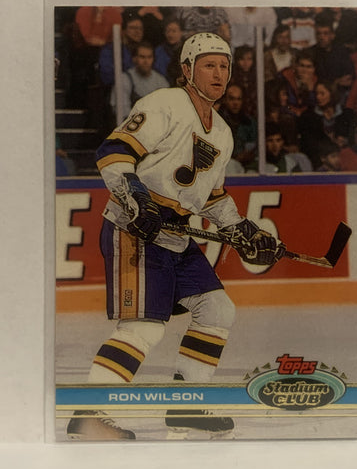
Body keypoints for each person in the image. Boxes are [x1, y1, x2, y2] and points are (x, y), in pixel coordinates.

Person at [67, 33, 280, 440]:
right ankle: (88, 415)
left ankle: (187, 407)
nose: (219, 73)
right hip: (134, 228)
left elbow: (212, 198)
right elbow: (113, 152)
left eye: (224, 66)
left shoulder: (222, 133)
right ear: (187, 70)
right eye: (209, 65)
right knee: (143, 328)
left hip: (176, 235)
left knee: (217, 310)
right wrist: (136, 198)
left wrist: (241, 229)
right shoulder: (163, 104)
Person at [298, 80, 355, 169]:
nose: (318, 97)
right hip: (319, 161)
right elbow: (307, 144)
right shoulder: (308, 116)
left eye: (322, 94)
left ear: (332, 94)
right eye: (316, 94)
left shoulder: (347, 114)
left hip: (344, 158)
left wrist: (345, 141)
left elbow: (355, 138)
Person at [111, 41, 169, 119]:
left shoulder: (161, 81)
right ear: (134, 59)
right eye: (142, 57)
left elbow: (167, 110)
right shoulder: (125, 79)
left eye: (149, 57)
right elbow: (123, 113)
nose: (146, 61)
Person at [98, 11, 145, 86]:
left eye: (141, 29)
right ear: (123, 30)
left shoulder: (144, 50)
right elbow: (107, 78)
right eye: (133, 28)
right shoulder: (109, 50)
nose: (138, 31)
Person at [218, 83, 257, 170]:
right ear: (225, 100)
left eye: (239, 99)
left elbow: (254, 147)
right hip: (224, 165)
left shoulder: (249, 122)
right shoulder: (217, 121)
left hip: (247, 166)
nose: (235, 103)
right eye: (232, 99)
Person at [153, 16, 183, 84]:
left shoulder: (187, 50)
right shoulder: (159, 51)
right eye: (168, 31)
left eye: (174, 31)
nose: (170, 35)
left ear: (181, 32)